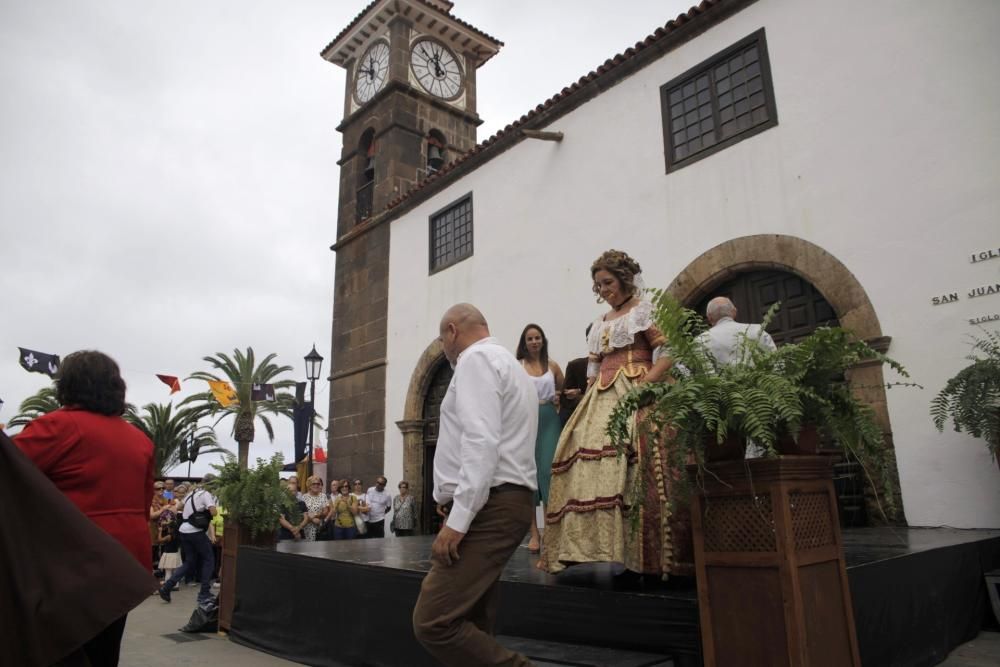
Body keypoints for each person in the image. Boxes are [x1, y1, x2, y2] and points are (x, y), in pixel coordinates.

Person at [542, 249, 685, 578]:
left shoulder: (644, 311)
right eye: (598, 285)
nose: (603, 290)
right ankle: (593, 548)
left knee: (639, 461)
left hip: (639, 386)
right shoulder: (599, 323)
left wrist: (646, 385)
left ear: (624, 279)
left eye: (607, 282)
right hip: (602, 394)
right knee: (584, 458)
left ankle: (644, 554)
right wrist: (591, 385)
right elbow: (594, 364)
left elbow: (667, 352)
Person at [412, 303, 538, 667]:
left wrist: (459, 519)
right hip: (504, 501)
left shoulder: (475, 361)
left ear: (452, 331)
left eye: (441, 338)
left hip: (490, 505)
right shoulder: (510, 366)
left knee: (433, 621)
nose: (443, 347)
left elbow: (480, 442)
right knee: (474, 621)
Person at [12, 349, 156, 666]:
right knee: (104, 653)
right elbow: (144, 504)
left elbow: (10, 472)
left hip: (73, 565)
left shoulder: (58, 426)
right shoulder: (139, 439)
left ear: (68, 385)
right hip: (126, 563)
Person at [515, 323, 564, 554]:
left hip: (548, 418)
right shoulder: (518, 367)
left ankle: (550, 532)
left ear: (543, 340)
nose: (534, 342)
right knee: (530, 475)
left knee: (548, 472)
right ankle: (534, 534)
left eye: (537, 338)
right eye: (530, 339)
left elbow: (563, 390)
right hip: (527, 420)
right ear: (524, 343)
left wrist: (560, 397)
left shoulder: (553, 366)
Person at [159, 475, 218, 606]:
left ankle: (167, 587)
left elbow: (176, 508)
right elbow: (213, 512)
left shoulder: (191, 493)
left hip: (184, 530)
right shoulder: (206, 494)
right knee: (209, 559)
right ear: (212, 484)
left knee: (189, 562)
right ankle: (204, 593)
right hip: (196, 531)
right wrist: (207, 510)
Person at [698, 296, 777, 365]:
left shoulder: (701, 340)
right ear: (734, 312)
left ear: (709, 317)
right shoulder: (758, 331)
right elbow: (776, 361)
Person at [558, 325, 592, 427]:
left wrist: (580, 395)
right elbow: (564, 400)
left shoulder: (618, 367)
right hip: (581, 424)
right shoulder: (575, 366)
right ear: (588, 340)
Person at [302, 475, 331, 541]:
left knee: (319, 549)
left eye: (318, 483)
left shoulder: (323, 496)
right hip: (306, 527)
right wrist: (312, 519)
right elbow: (302, 513)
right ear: (309, 485)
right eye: (314, 483)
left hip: (319, 528)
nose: (316, 485)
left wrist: (315, 515)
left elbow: (326, 512)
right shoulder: (304, 497)